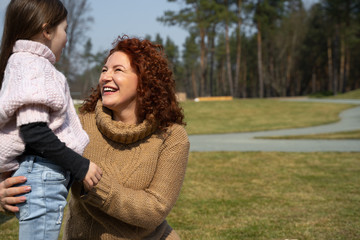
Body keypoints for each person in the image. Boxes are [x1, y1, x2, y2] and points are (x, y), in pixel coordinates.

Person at [1, 35, 190, 239]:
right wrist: (3, 190)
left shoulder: (172, 137)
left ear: (145, 80)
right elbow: (31, 161)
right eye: (104, 70)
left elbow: (154, 209)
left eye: (118, 70)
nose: (105, 77)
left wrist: (93, 182)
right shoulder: (80, 125)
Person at [0, 0, 102, 239]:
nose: (66, 37)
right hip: (43, 176)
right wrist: (79, 165)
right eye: (64, 29)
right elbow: (34, 131)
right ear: (47, 31)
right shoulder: (32, 65)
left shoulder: (22, 63)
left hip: (38, 174)